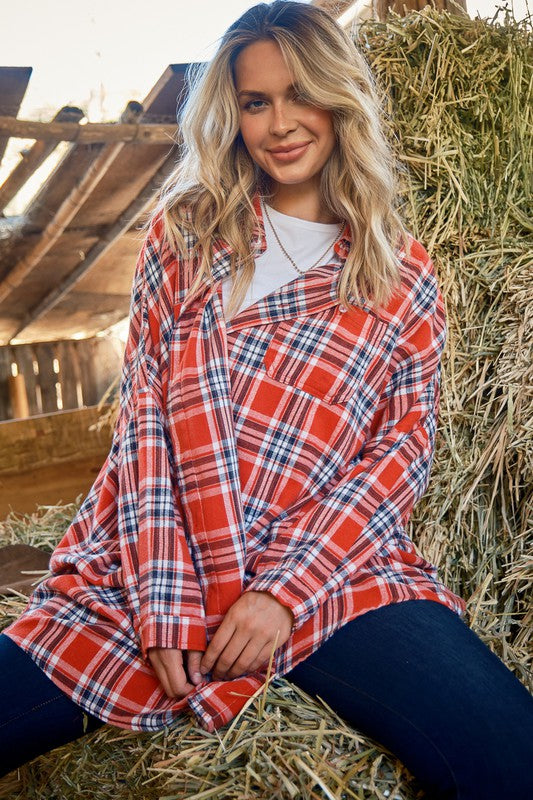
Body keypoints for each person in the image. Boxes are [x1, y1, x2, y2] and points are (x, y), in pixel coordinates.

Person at [1, 2, 532, 796]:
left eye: (300, 94)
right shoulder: (184, 235)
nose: (279, 123)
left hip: (331, 574)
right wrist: (164, 603)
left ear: (341, 99)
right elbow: (144, 426)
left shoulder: (398, 273)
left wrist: (283, 593)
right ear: (232, 114)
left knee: (510, 754)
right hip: (155, 564)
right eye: (255, 102)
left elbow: (399, 452)